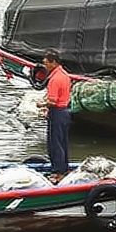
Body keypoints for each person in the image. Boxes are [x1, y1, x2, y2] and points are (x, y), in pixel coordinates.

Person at [36, 49, 72, 184]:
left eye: (46, 63)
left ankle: (58, 173)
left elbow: (52, 101)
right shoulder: (65, 75)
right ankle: (64, 168)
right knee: (62, 141)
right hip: (65, 111)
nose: (45, 66)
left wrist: (41, 104)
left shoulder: (54, 79)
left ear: (53, 63)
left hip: (57, 112)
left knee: (54, 143)